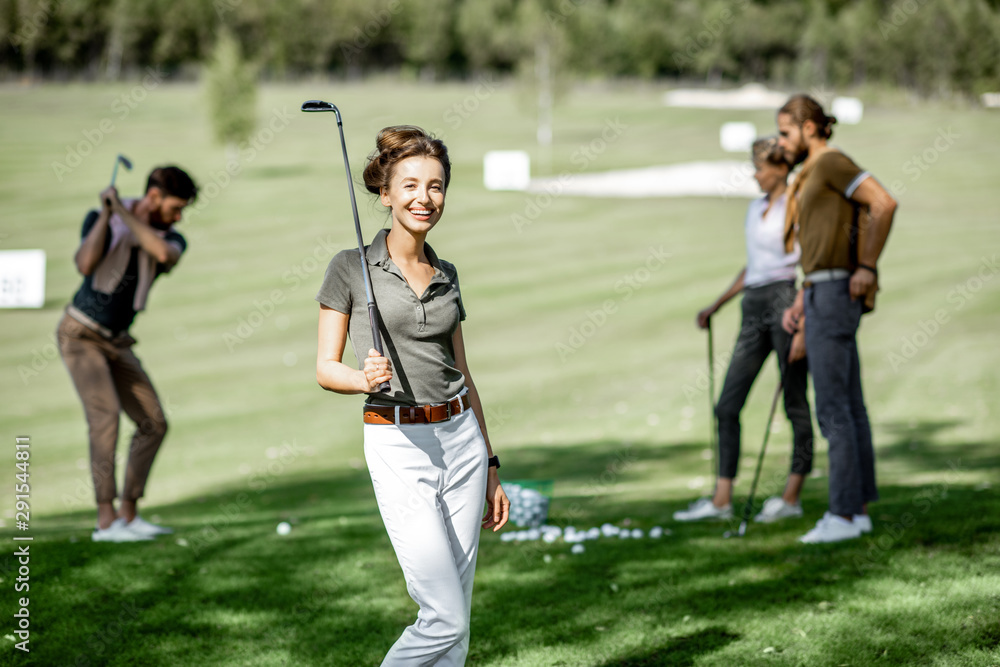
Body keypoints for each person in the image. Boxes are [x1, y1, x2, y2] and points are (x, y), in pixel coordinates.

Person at [315, 126, 509, 665]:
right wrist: (362, 378)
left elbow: (464, 375)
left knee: (458, 618)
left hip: (462, 441)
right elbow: (326, 368)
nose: (425, 198)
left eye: (437, 186)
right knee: (442, 613)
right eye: (411, 185)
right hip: (397, 442)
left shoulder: (446, 275)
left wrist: (490, 463)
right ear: (386, 193)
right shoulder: (350, 268)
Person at [674, 137, 814, 524]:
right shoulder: (755, 209)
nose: (755, 174)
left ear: (781, 169)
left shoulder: (798, 205)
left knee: (795, 404)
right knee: (727, 405)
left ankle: (792, 496)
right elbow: (753, 267)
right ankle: (722, 500)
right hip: (753, 303)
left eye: (760, 167)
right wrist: (717, 304)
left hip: (787, 303)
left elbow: (811, 264)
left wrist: (802, 310)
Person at [777, 94, 897, 544]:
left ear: (809, 127)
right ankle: (859, 510)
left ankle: (843, 515)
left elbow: (883, 203)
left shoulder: (830, 163)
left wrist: (866, 266)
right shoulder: (810, 172)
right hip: (820, 289)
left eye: (786, 132)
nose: (781, 141)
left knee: (833, 408)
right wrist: (802, 297)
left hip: (834, 291)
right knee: (850, 405)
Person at [57, 165, 197, 542]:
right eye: (175, 207)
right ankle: (106, 522)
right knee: (105, 419)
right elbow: (85, 264)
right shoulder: (99, 220)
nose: (179, 216)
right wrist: (107, 214)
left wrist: (121, 211)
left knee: (154, 422)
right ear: (153, 197)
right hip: (80, 334)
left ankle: (129, 514)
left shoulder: (172, 238)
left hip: (118, 340)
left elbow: (161, 252)